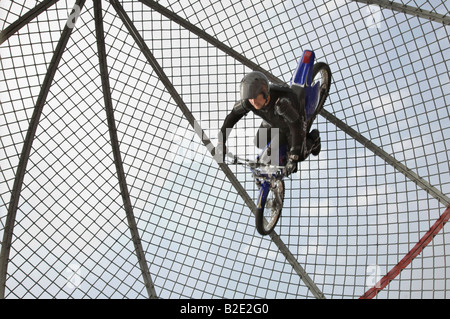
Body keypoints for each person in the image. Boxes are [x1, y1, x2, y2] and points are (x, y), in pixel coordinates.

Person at [215, 71, 321, 175]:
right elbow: (232, 117)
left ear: (265, 92)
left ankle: (314, 139)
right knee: (259, 142)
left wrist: (294, 157)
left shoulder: (282, 103)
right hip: (273, 122)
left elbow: (296, 127)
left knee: (299, 155)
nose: (253, 101)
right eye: (250, 98)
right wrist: (221, 142)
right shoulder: (249, 102)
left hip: (291, 124)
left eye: (255, 97)